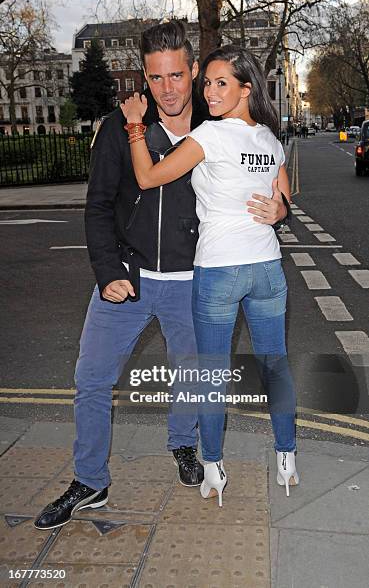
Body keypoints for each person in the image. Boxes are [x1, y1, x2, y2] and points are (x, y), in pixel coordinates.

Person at [34, 22, 289, 530]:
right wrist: (107, 270)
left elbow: (268, 181)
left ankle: (183, 447)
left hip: (194, 280)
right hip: (127, 278)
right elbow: (99, 204)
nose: (168, 88)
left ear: (194, 71)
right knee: (90, 378)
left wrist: (279, 208)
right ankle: (90, 481)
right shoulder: (120, 125)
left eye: (177, 75)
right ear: (144, 78)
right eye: (156, 78)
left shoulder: (219, 120)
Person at [121, 44, 299, 506]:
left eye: (222, 83)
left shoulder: (210, 136)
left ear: (246, 88)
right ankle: (286, 458)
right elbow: (284, 199)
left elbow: (147, 178)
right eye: (208, 83)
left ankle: (215, 466)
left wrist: (136, 126)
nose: (210, 91)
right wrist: (279, 209)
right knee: (274, 365)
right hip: (266, 268)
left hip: (219, 269)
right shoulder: (270, 139)